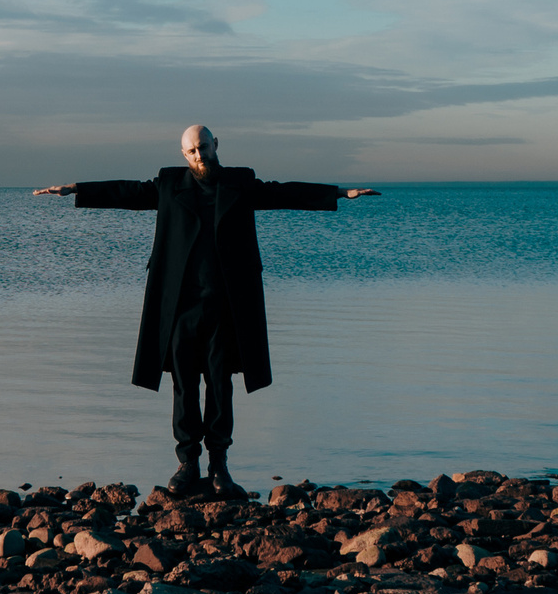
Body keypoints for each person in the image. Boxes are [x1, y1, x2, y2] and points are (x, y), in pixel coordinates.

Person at [35, 125, 379, 496]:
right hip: (180, 304)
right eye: (191, 152)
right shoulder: (169, 184)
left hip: (227, 304)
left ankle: (219, 466)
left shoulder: (239, 183)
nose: (199, 156)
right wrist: (77, 189)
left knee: (219, 384)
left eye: (203, 148)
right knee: (183, 385)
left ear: (216, 145)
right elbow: (129, 191)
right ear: (184, 155)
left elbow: (282, 192)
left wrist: (340, 193)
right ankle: (187, 464)